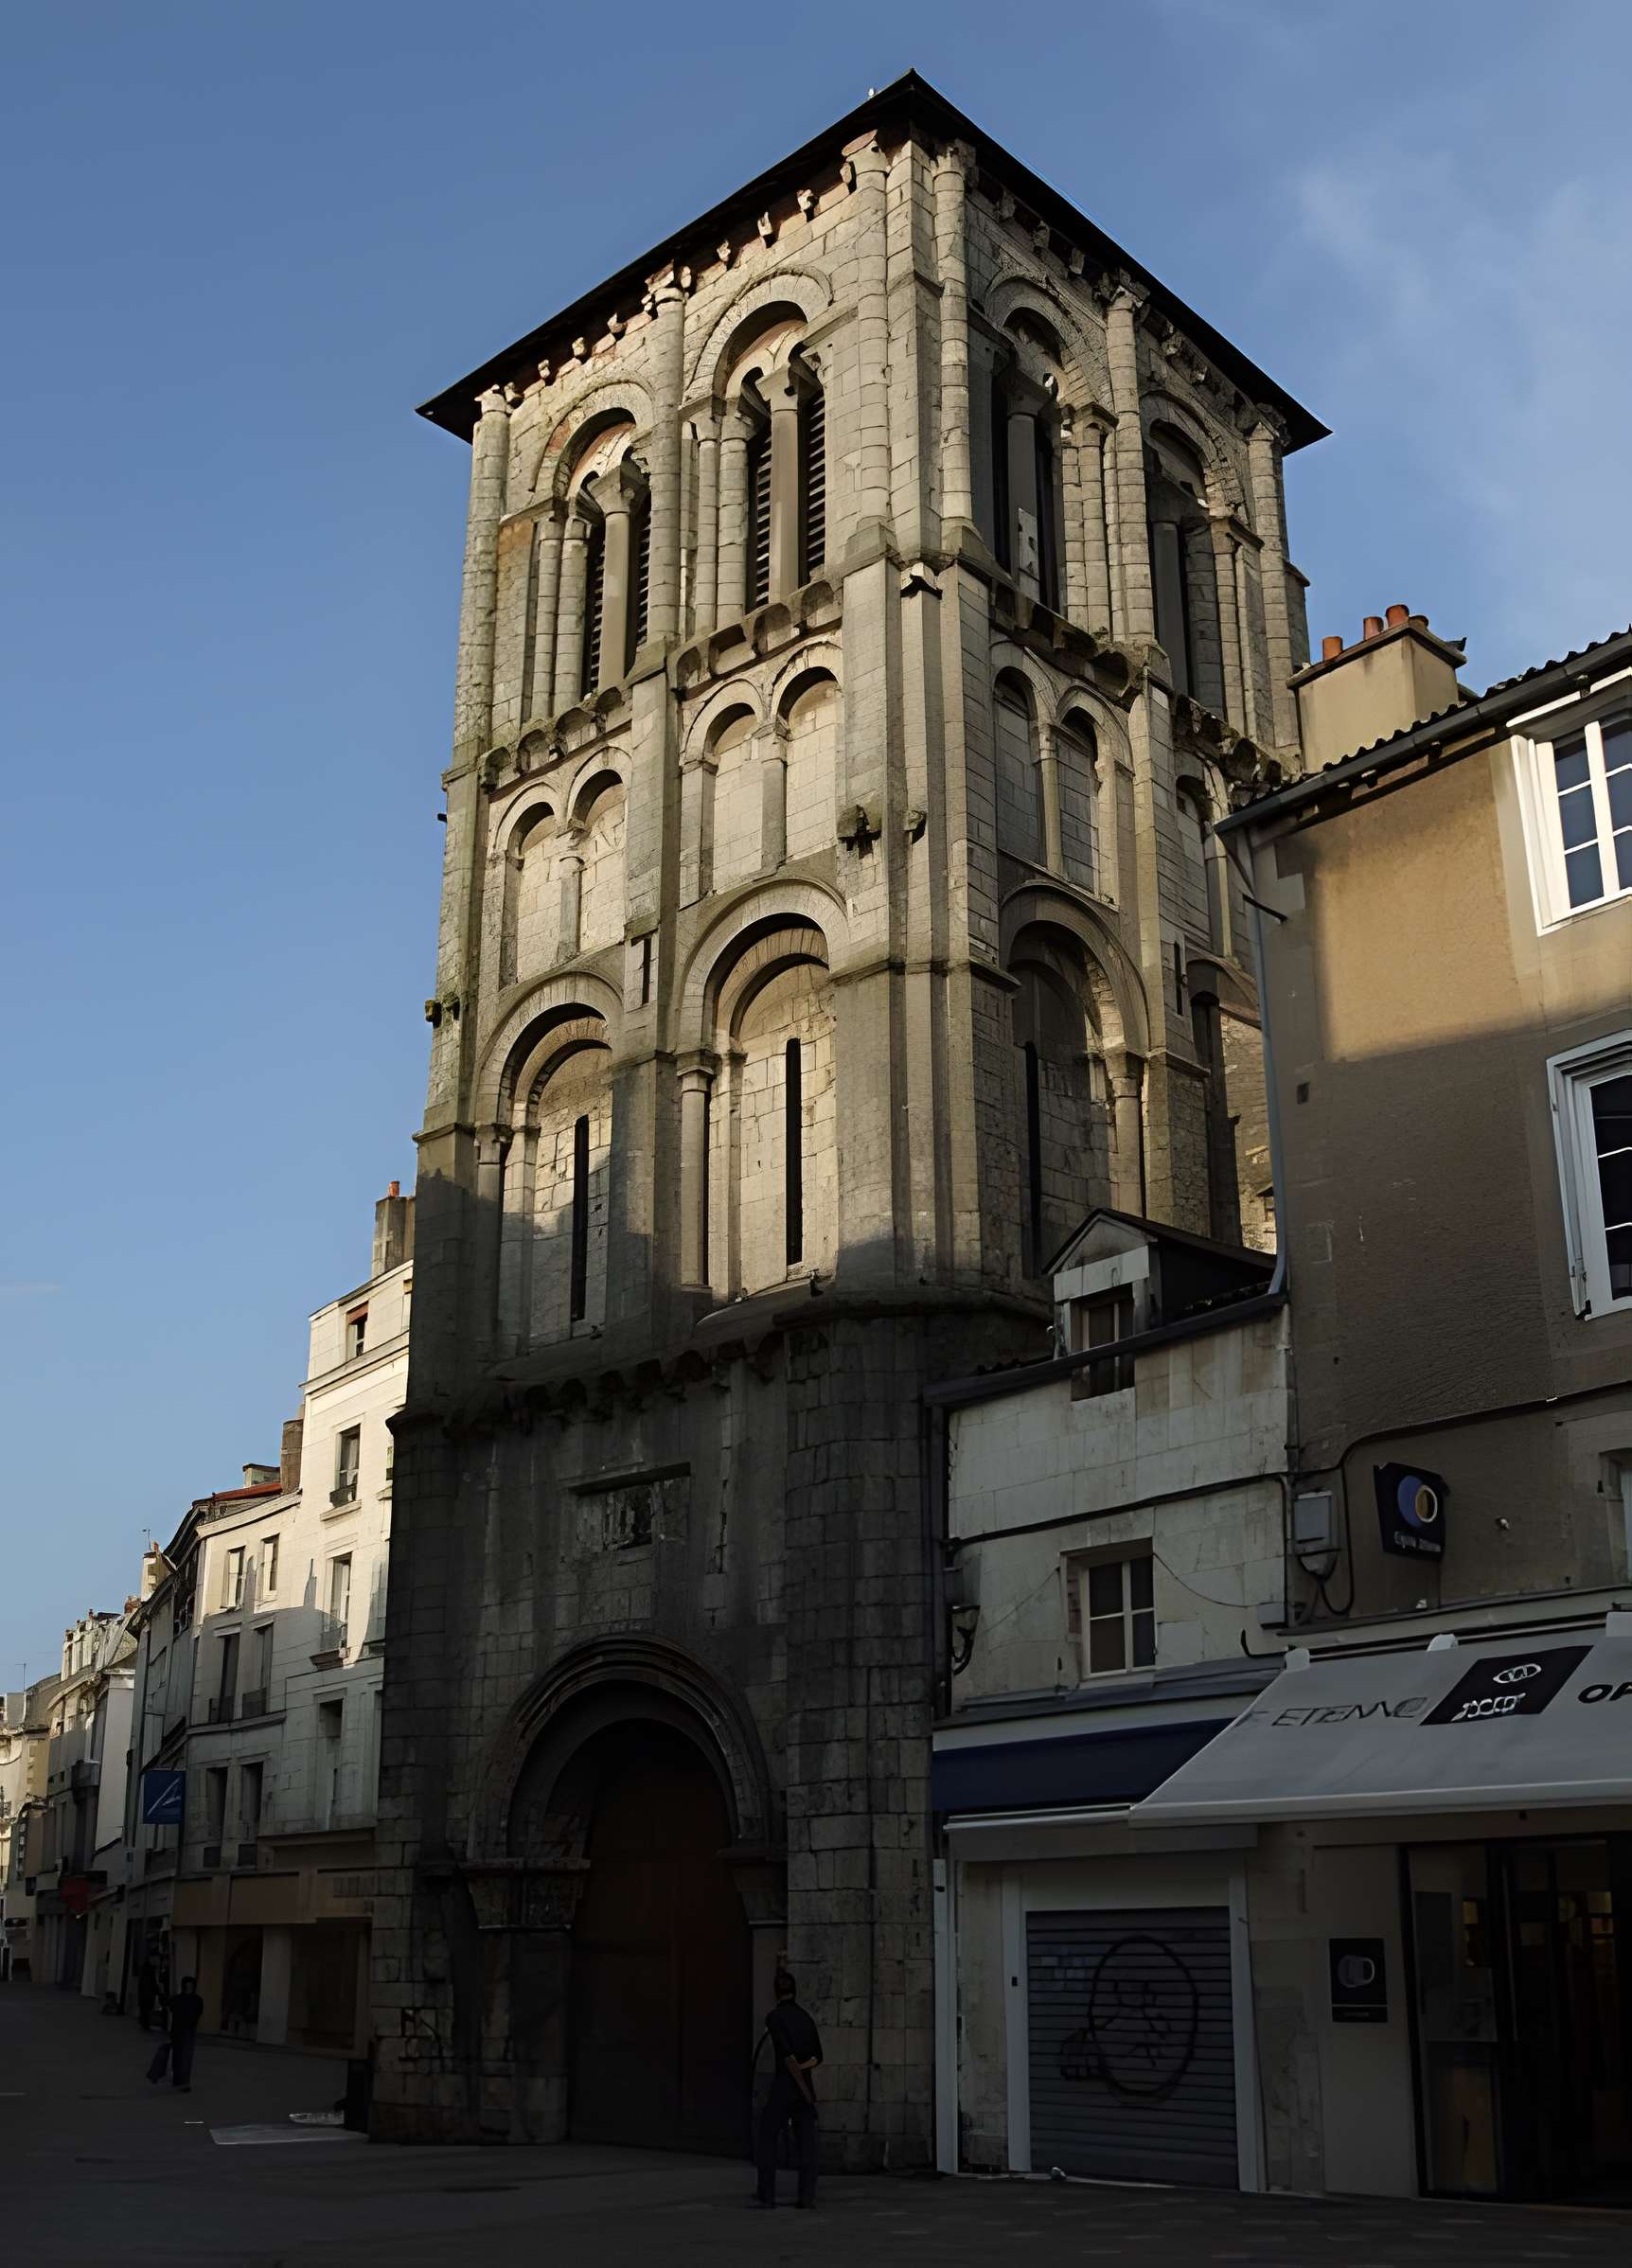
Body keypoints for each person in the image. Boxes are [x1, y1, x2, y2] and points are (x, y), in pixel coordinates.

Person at [753, 1970, 822, 2210]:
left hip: (785, 2087)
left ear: (775, 1992)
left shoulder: (774, 2017)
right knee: (807, 2144)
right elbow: (817, 2057)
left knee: (768, 2136)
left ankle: (767, 2194)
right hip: (805, 2089)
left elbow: (786, 2056)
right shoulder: (806, 2018)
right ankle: (807, 2196)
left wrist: (797, 2076)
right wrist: (805, 2078)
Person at [167, 1975, 205, 2093]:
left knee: (185, 2056)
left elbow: (171, 2007)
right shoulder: (186, 1999)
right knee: (180, 2056)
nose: (188, 1988)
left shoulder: (194, 2000)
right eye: (187, 1986)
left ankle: (183, 2081)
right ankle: (180, 2080)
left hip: (186, 2030)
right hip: (180, 2030)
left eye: (190, 1986)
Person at [135, 1957, 165, 2033]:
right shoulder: (149, 1971)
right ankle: (145, 2024)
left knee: (144, 2010)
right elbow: (152, 1983)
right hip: (147, 1994)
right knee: (146, 2009)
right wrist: (158, 1991)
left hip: (145, 1994)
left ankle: (144, 2024)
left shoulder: (145, 1970)